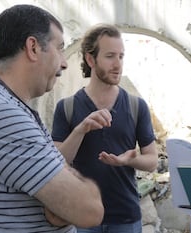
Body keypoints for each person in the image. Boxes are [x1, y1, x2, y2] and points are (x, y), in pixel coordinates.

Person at [0, 4, 104, 233]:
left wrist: (61, 192)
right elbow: (90, 210)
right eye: (59, 49)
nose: (64, 62)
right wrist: (75, 192)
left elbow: (60, 176)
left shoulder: (3, 104)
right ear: (33, 47)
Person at [51, 24, 158, 233]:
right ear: (90, 59)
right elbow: (57, 162)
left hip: (125, 217)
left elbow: (152, 161)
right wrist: (80, 130)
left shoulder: (137, 106)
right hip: (80, 216)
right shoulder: (67, 107)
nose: (118, 64)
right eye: (110, 56)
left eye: (121, 56)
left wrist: (130, 160)